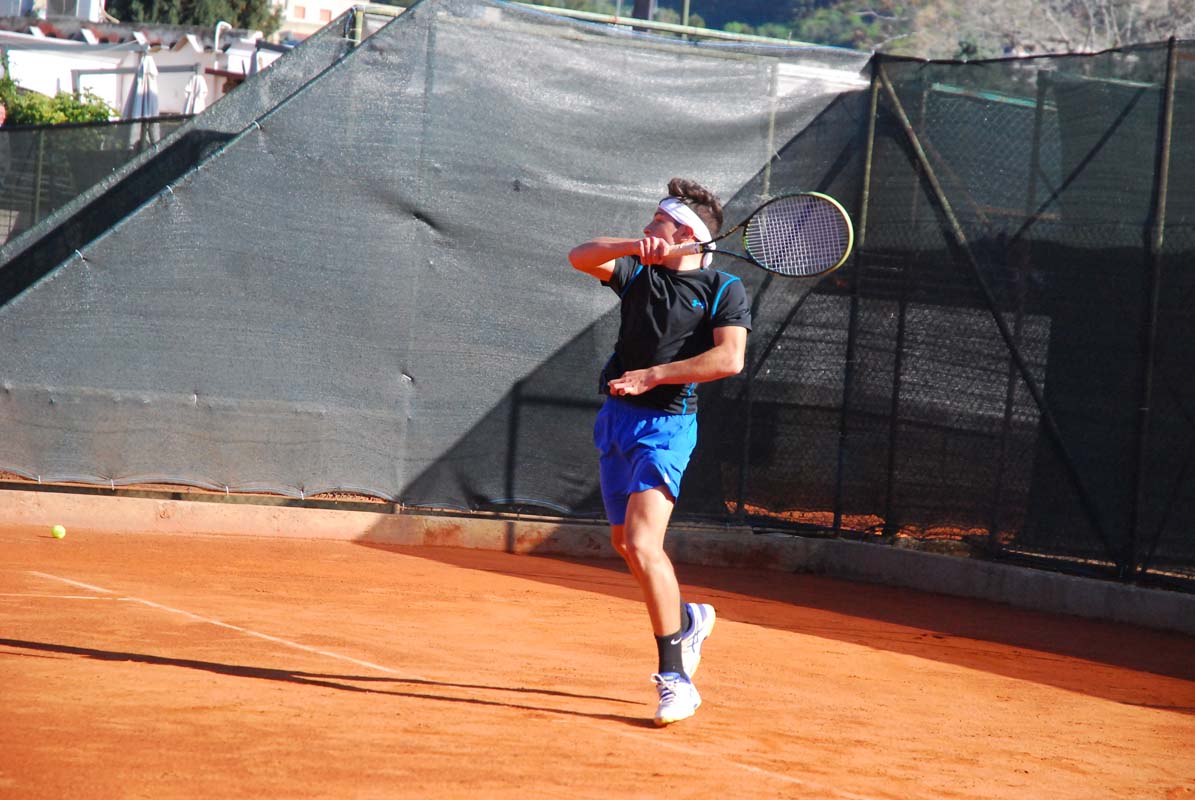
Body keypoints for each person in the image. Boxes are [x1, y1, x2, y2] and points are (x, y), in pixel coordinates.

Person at [568, 178, 751, 726]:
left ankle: (676, 680)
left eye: (659, 223)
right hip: (616, 420)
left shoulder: (723, 288)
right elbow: (579, 256)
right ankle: (688, 621)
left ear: (688, 235)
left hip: (667, 427)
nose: (648, 228)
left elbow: (729, 360)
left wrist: (653, 375)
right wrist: (634, 245)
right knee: (625, 543)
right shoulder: (637, 273)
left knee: (645, 544)